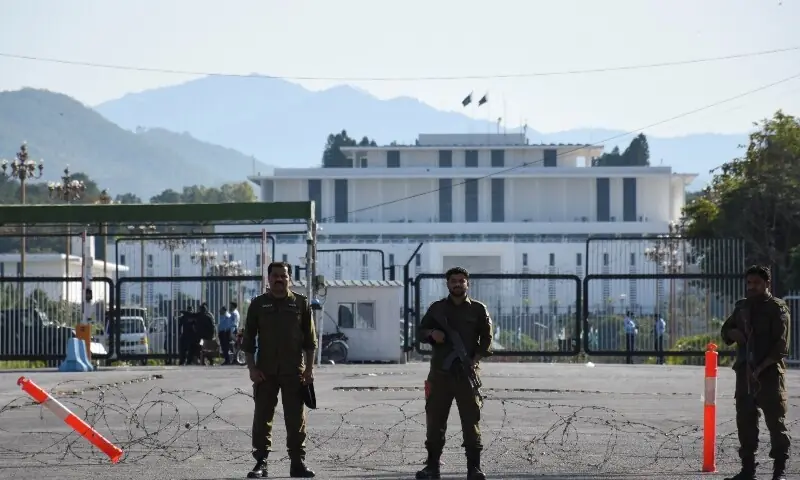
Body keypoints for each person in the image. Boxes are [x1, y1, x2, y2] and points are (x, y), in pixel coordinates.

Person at [241, 261, 317, 478]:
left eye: (283, 276)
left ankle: (297, 463)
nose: (279, 279)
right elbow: (248, 342)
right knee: (263, 416)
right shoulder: (258, 305)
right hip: (266, 372)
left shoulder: (301, 304)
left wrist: (309, 370)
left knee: (296, 418)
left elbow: (310, 342)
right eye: (275, 276)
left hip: (294, 371)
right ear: (269, 278)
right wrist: (252, 369)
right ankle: (261, 463)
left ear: (289, 279)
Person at [415, 266, 493, 480]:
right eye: (453, 281)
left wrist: (474, 360)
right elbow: (419, 333)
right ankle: (432, 467)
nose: (458, 284)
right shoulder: (437, 309)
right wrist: (432, 333)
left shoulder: (478, 310)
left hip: (466, 375)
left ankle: (474, 468)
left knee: (471, 422)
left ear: (468, 283)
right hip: (440, 375)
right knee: (435, 421)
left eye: (461, 281)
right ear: (447, 284)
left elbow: (487, 340)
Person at [720, 265, 790, 480]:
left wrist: (759, 369)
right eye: (749, 283)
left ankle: (779, 471)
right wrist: (734, 333)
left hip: (768, 375)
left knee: (775, 424)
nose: (752, 287)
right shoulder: (741, 307)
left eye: (756, 283)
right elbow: (725, 331)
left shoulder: (777, 309)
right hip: (744, 375)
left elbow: (781, 348)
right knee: (746, 422)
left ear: (767, 284)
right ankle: (747, 470)